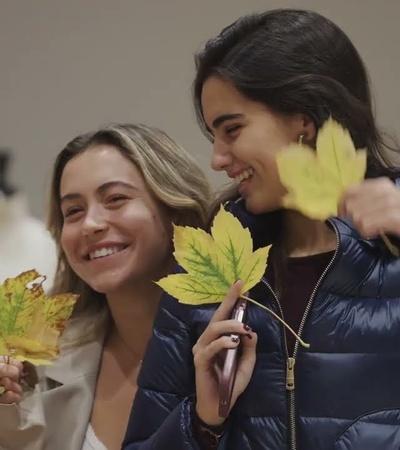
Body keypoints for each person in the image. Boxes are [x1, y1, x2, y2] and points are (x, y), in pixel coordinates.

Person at [123, 9, 400, 450]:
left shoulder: (394, 243)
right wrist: (203, 424)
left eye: (232, 129)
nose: (217, 158)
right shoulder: (212, 260)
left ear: (305, 122)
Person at [0, 123, 212, 450]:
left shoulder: (236, 345)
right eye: (73, 211)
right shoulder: (38, 364)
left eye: (115, 199)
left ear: (176, 209)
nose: (91, 224)